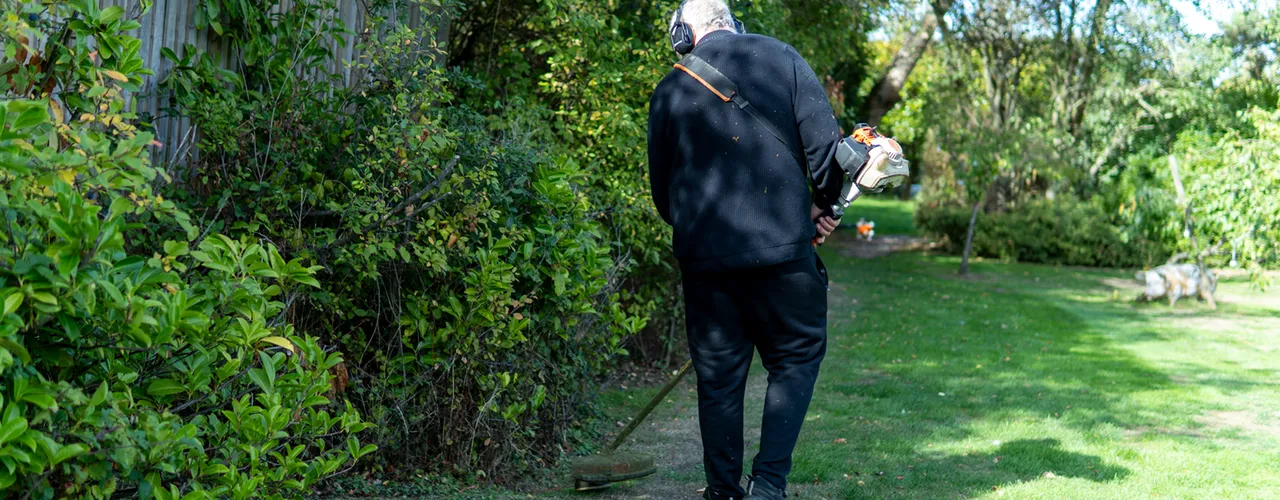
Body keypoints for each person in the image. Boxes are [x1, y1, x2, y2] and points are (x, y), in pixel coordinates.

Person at [646, 1, 851, 498]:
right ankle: (769, 485)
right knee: (797, 357)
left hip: (707, 266)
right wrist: (822, 208)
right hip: (785, 259)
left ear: (682, 34)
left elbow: (663, 196)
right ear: (732, 21)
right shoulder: (783, 57)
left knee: (718, 379)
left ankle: (722, 492)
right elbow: (827, 159)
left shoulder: (669, 89)